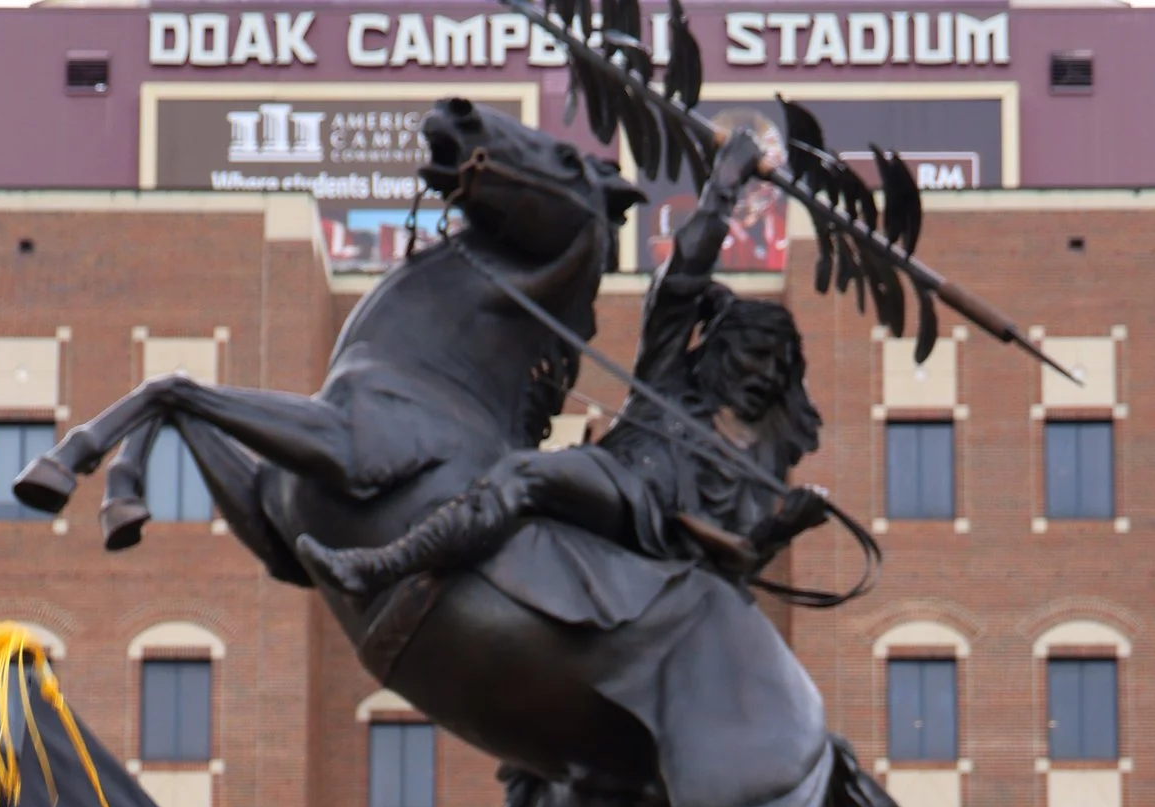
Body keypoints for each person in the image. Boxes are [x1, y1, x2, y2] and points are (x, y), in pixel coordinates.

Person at [299, 128, 831, 612]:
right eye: (753, 358)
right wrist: (724, 186)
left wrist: (782, 527)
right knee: (521, 474)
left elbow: (735, 564)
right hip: (618, 489)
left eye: (777, 369)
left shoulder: (757, 463)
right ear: (717, 349)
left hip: (667, 560)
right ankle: (384, 566)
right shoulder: (670, 378)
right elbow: (681, 276)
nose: (763, 375)